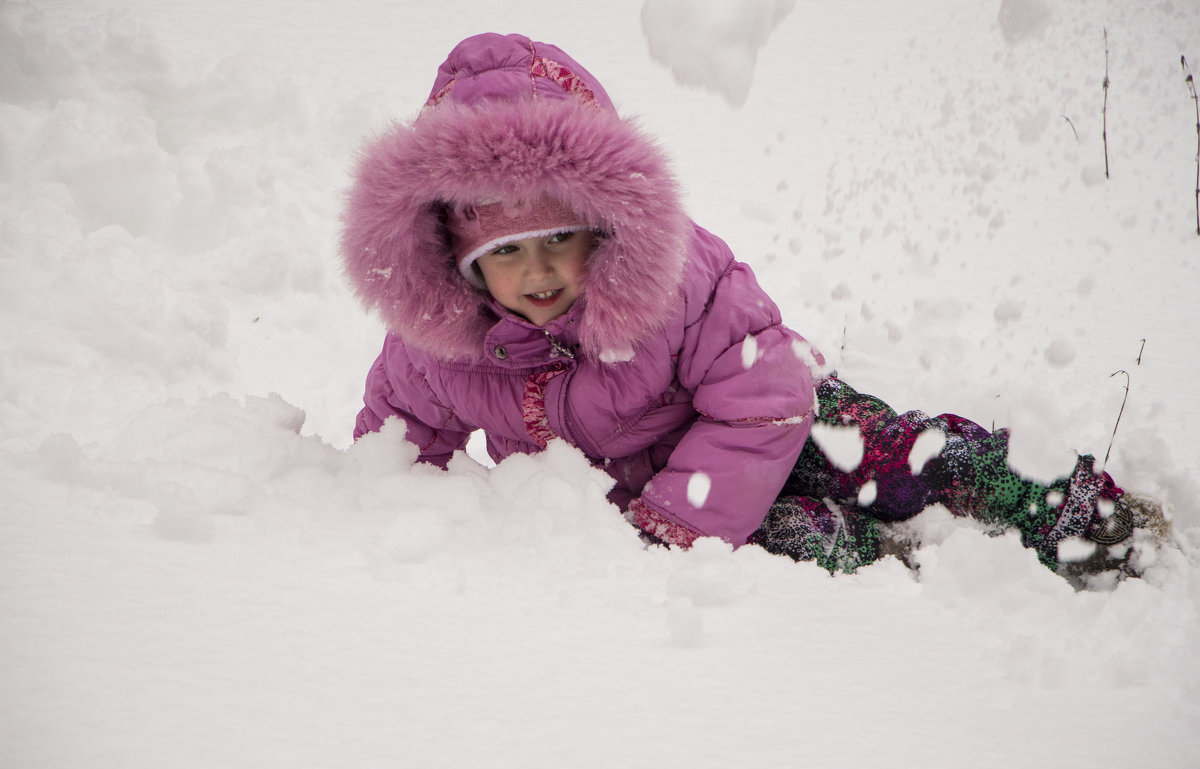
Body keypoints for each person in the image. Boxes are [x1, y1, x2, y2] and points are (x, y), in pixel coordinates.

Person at [342, 32, 1153, 588]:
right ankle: (899, 568)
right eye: (505, 253)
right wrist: (408, 516)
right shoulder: (434, 347)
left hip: (787, 420)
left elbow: (764, 400)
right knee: (790, 548)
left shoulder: (674, 281)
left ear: (604, 222)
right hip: (659, 498)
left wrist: (684, 515)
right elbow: (396, 449)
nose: (540, 269)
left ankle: (1064, 506)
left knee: (894, 458)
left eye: (560, 237)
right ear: (455, 259)